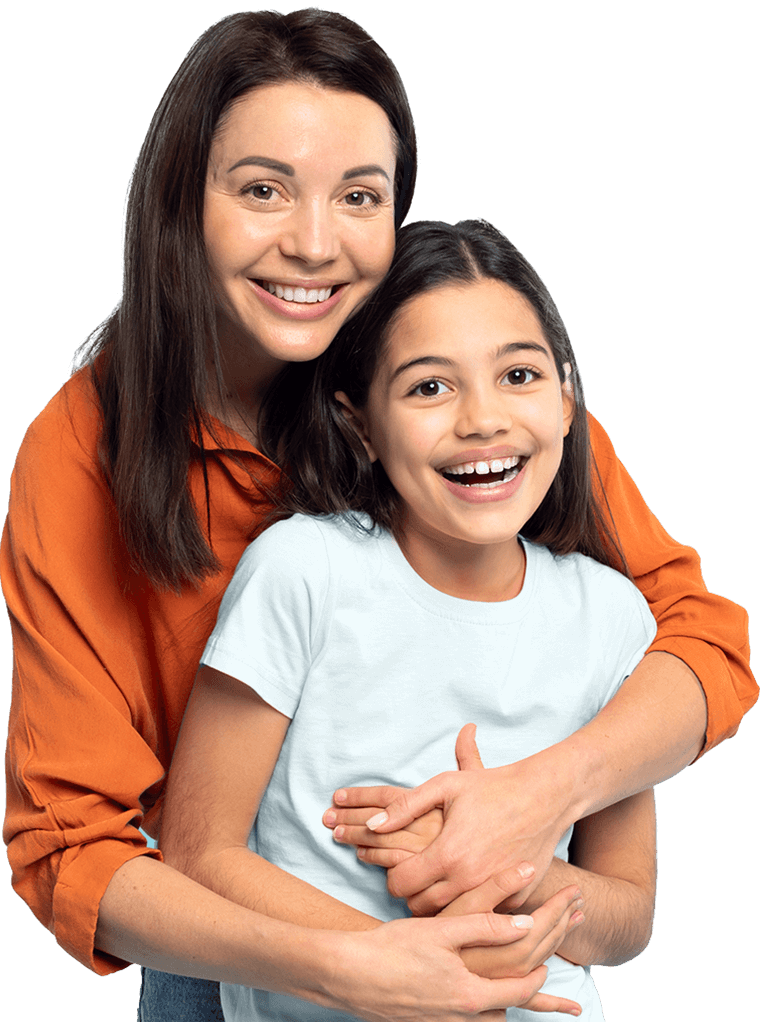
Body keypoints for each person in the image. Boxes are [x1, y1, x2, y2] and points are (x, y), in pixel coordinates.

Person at [1, 6, 752, 1022]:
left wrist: (538, 796)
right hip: (238, 940)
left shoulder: (466, 406)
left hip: (500, 933)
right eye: (262, 189)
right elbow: (72, 848)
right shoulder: (84, 452)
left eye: (358, 196)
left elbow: (698, 638)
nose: (313, 245)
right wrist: (360, 962)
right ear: (183, 201)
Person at [160, 218, 659, 1022]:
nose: (483, 420)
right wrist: (403, 970)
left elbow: (628, 913)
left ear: (568, 402)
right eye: (429, 386)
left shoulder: (610, 616)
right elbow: (195, 855)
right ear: (360, 424)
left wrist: (509, 876)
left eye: (519, 376)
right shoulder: (305, 571)